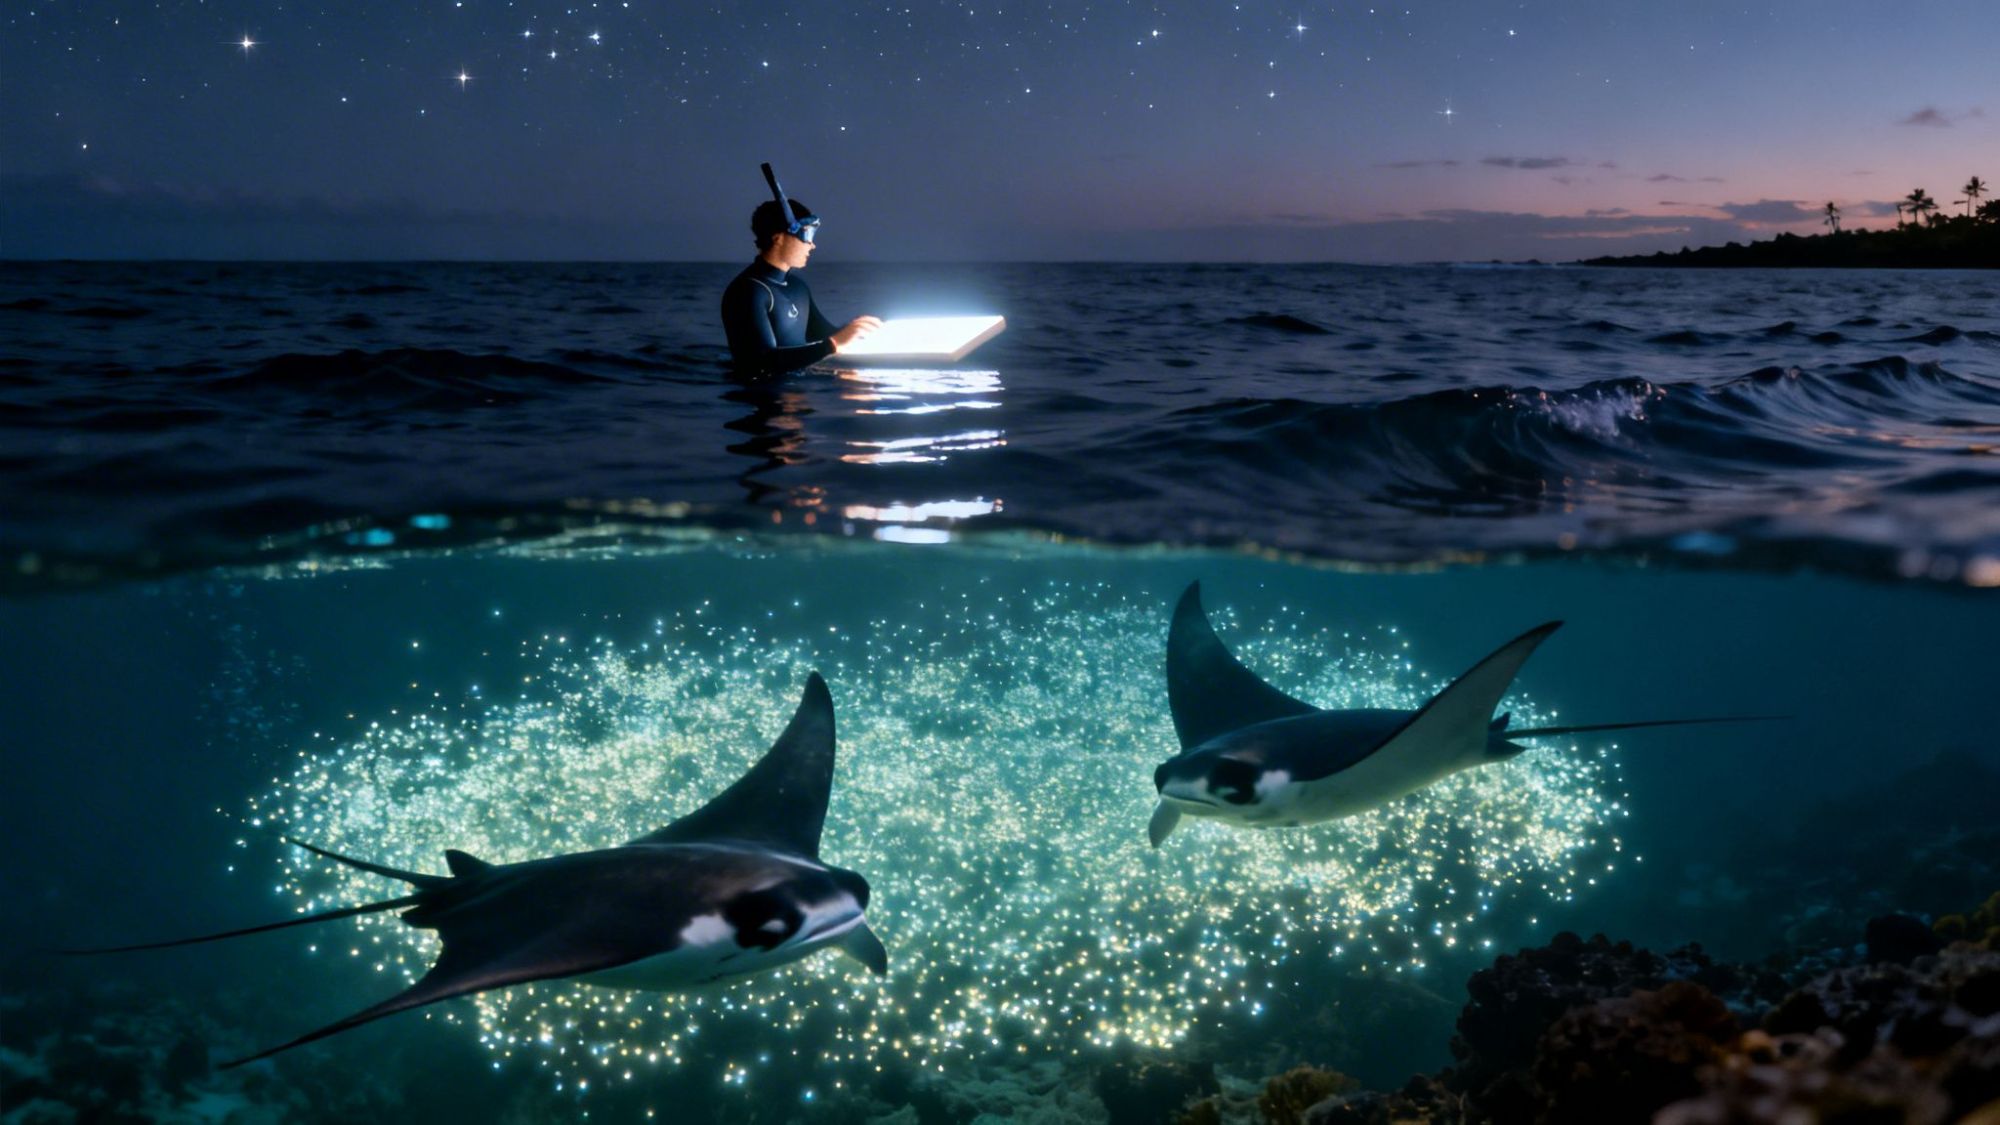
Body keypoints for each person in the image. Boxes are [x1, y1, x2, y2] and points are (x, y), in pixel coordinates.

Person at [720, 195, 881, 375]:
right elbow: (761, 362)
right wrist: (833, 344)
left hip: (800, 388)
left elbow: (825, 335)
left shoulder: (798, 287)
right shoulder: (748, 291)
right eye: (806, 235)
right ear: (778, 238)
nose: (812, 245)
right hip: (763, 389)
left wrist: (857, 329)